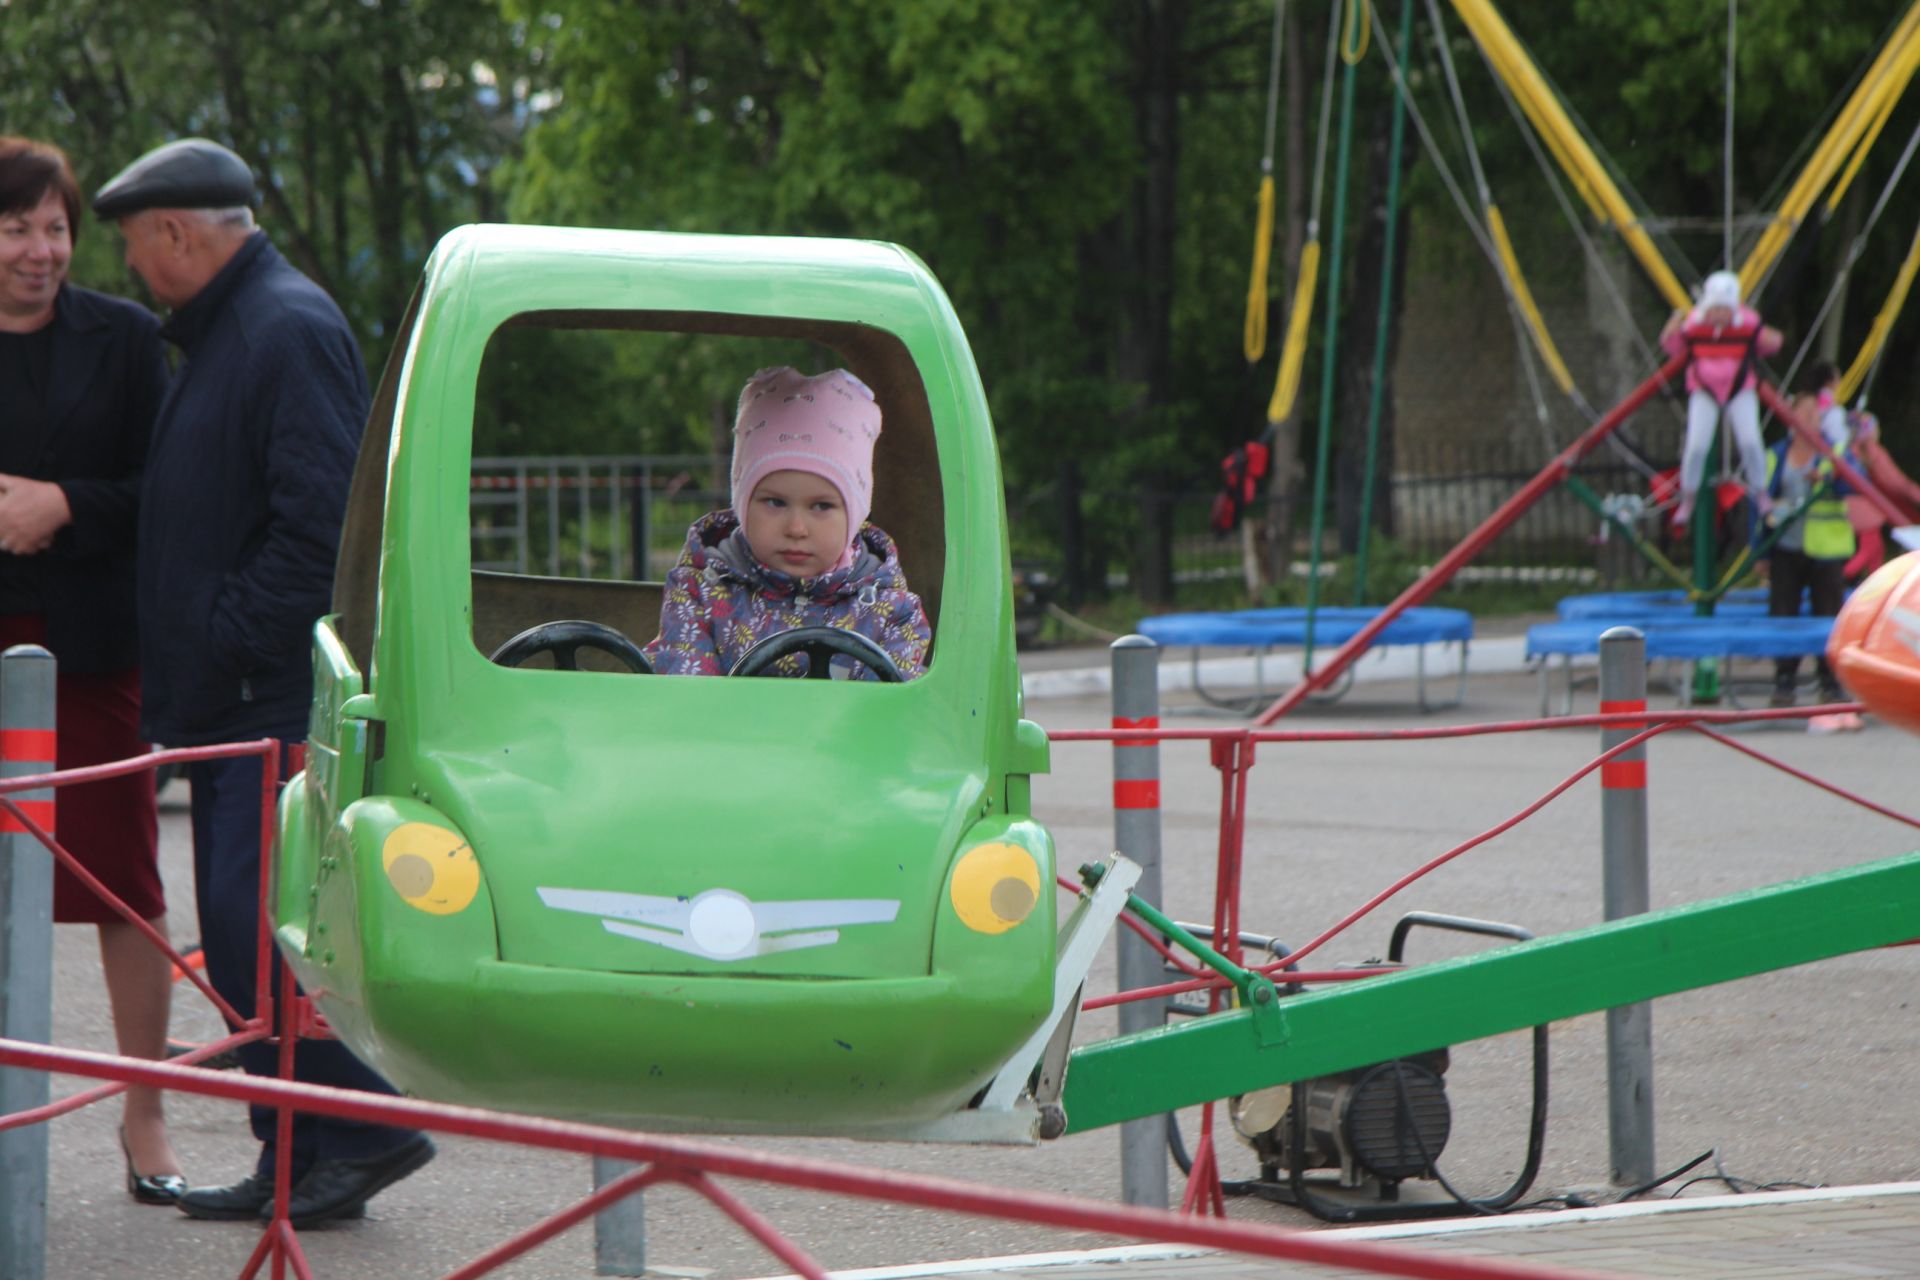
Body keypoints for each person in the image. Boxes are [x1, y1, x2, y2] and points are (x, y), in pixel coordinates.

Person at [92, 137, 433, 1226]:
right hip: (246, 694)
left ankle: (361, 1132)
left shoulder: (279, 326)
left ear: (180, 235)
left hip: (270, 700)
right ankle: (302, 1150)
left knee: (266, 929)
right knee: (252, 932)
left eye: (140, 246)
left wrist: (227, 641)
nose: (139, 270)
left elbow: (316, 525)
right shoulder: (248, 325)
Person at [0, 136, 183, 1204]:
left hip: (90, 648)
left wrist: (62, 504)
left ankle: (145, 1111)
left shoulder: (124, 340)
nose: (41, 249)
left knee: (124, 881)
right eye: (18, 227)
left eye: (56, 227)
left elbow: (163, 488)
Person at [645, 366, 932, 679]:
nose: (796, 528)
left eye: (821, 506)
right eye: (775, 502)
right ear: (743, 506)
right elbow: (687, 704)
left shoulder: (891, 613)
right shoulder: (700, 593)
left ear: (854, 516)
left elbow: (889, 719)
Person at [1765, 383, 1858, 729]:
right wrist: (1759, 545)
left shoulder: (1834, 452)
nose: (1810, 420)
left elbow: (1855, 484)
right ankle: (1784, 680)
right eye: (1804, 414)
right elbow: (1759, 499)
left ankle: (1830, 683)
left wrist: (1831, 478)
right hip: (1786, 547)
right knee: (1783, 612)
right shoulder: (1776, 453)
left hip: (1825, 548)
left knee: (1828, 614)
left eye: (1814, 415)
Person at [1659, 270, 1782, 527]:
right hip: (1704, 390)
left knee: (1750, 441)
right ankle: (1689, 495)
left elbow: (1771, 345)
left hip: (1739, 389)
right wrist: (1672, 327)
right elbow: (1673, 348)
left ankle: (1761, 492)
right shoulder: (1695, 324)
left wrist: (1766, 332)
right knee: (1696, 446)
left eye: (1724, 309)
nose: (1719, 315)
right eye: (1715, 309)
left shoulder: (1746, 323)